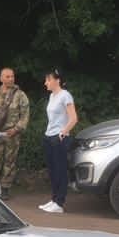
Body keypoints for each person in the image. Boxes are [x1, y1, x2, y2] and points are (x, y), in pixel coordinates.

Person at [0, 68, 30, 200]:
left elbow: (25, 116)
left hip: (12, 134)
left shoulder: (20, 95)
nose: (11, 79)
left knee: (9, 162)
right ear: (1, 78)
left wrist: (16, 129)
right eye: (7, 77)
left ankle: (5, 189)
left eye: (12, 76)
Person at [39, 69, 78, 213]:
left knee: (60, 170)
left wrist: (63, 132)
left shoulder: (65, 96)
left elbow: (73, 118)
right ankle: (54, 199)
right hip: (49, 136)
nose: (45, 83)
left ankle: (60, 203)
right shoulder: (51, 96)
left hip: (59, 138)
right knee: (52, 170)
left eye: (48, 80)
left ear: (57, 80)